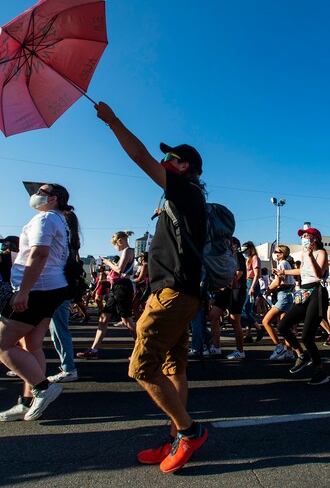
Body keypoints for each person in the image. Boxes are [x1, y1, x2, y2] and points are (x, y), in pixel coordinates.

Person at [96, 102, 208, 472]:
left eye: (172, 158)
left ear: (185, 167)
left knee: (142, 367)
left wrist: (113, 122)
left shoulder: (187, 193)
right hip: (180, 292)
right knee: (175, 367)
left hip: (174, 294)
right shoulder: (182, 200)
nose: (165, 162)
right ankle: (178, 435)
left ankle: (190, 433)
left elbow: (139, 155)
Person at [0, 184, 78, 421]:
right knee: (32, 345)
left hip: (37, 289)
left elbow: (39, 253)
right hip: (49, 288)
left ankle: (42, 388)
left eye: (42, 190)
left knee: (0, 344)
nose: (35, 194)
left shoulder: (45, 219)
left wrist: (23, 291)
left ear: (54, 198)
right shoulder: (58, 220)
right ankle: (28, 402)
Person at [276, 227, 330, 385]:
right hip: (304, 292)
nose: (304, 238)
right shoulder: (303, 254)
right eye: (303, 236)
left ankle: (320, 371)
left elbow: (319, 274)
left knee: (307, 336)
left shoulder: (321, 253)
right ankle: (301, 354)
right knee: (282, 325)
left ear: (315, 239)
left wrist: (310, 256)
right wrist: (284, 273)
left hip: (317, 292)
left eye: (307, 236)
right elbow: (301, 271)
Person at [76, 231, 137, 359]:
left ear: (119, 241)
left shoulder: (127, 251)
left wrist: (109, 263)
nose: (116, 247)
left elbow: (119, 270)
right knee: (103, 319)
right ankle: (94, 350)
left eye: (115, 244)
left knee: (127, 321)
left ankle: (143, 348)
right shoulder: (128, 251)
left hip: (122, 288)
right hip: (118, 288)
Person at [263, 245, 295, 360]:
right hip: (287, 295)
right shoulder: (287, 264)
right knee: (284, 326)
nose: (274, 253)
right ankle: (290, 352)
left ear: (281, 254)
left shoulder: (282, 264)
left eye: (276, 252)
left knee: (265, 321)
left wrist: (268, 290)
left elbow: (278, 282)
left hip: (283, 296)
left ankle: (279, 346)